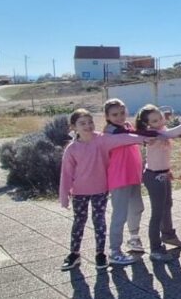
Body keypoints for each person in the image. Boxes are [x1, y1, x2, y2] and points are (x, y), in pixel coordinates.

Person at [58, 109, 151, 271]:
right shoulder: (72, 149)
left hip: (100, 190)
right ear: (73, 127)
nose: (87, 126)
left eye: (90, 122)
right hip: (79, 192)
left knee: (99, 222)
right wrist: (64, 196)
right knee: (79, 222)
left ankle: (100, 254)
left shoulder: (102, 139)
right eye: (82, 123)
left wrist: (147, 137)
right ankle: (74, 254)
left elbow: (125, 139)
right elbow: (66, 174)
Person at [134, 104, 181, 262]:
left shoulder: (163, 131)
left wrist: (167, 171)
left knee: (167, 205)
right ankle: (155, 248)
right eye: (154, 121)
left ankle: (168, 235)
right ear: (148, 124)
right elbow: (174, 133)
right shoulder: (152, 135)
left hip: (163, 173)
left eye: (160, 118)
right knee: (157, 212)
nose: (159, 122)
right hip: (154, 176)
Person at [103, 98, 146, 267]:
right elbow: (133, 139)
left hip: (133, 175)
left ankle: (134, 239)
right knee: (119, 215)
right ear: (107, 116)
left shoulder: (127, 127)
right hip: (119, 178)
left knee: (137, 208)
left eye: (122, 113)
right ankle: (114, 251)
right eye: (114, 114)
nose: (119, 117)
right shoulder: (110, 132)